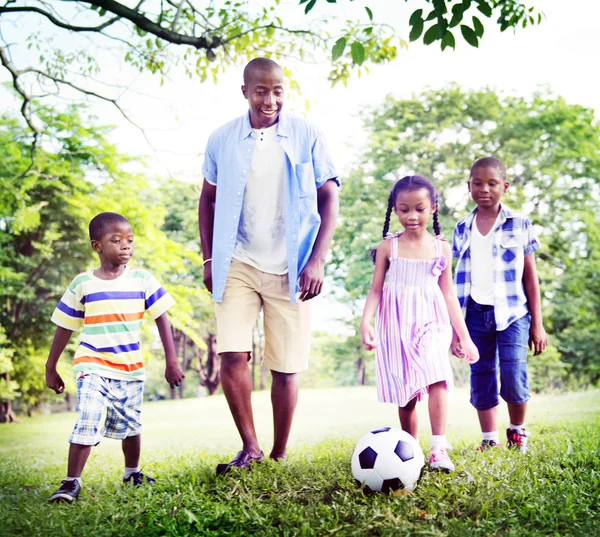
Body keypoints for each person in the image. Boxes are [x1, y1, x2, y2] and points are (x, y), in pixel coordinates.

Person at [198, 57, 339, 473]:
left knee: (285, 366)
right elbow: (207, 198)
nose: (270, 99)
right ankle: (251, 447)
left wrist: (317, 259)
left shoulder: (307, 134)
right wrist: (208, 257)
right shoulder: (221, 139)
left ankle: (278, 453)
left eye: (277, 90)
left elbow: (329, 197)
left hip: (291, 263)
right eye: (260, 90)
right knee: (231, 355)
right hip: (236, 258)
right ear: (244, 91)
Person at [45, 212, 184, 503]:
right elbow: (64, 326)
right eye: (116, 240)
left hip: (130, 367)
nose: (126, 246)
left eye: (130, 240)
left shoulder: (142, 280)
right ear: (97, 245)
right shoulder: (83, 283)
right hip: (92, 363)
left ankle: (131, 472)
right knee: (89, 416)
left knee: (131, 424)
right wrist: (51, 366)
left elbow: (162, 319)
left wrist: (172, 361)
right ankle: (71, 482)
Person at [360, 175, 479, 472]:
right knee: (407, 392)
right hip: (396, 322)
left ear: (433, 208)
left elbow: (448, 294)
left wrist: (463, 336)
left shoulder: (441, 248)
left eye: (419, 208)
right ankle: (410, 451)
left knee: (437, 374)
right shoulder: (389, 247)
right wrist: (365, 322)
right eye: (404, 209)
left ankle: (439, 447)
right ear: (395, 211)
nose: (412, 216)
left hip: (431, 319)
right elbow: (376, 289)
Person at [452, 157, 548, 453]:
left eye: (492, 183)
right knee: (480, 375)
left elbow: (530, 278)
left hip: (514, 314)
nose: (484, 189)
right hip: (475, 315)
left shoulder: (520, 224)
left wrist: (538, 324)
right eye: (477, 183)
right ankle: (489, 437)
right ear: (469, 187)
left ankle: (517, 432)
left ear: (504, 187)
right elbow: (453, 279)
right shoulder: (462, 227)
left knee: (512, 373)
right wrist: (456, 328)